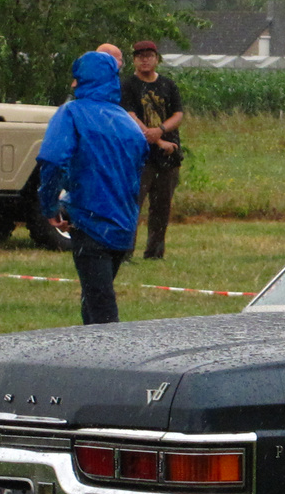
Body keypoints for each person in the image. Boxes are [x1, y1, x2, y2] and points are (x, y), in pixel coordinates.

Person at [36, 49, 149, 324]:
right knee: (93, 297)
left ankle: (110, 363)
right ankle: (90, 357)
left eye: (77, 78)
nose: (73, 84)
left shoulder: (72, 113)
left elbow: (52, 162)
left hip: (91, 224)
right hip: (123, 229)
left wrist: (50, 206)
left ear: (85, 80)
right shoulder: (128, 123)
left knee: (101, 309)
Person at [120, 40, 185, 259]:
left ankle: (155, 253)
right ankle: (125, 252)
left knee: (161, 208)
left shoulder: (168, 85)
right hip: (140, 156)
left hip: (168, 155)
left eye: (149, 55)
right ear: (134, 60)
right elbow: (129, 115)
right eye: (140, 56)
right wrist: (155, 138)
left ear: (156, 58)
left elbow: (178, 114)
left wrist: (161, 129)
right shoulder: (128, 85)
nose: (145, 59)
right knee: (133, 205)